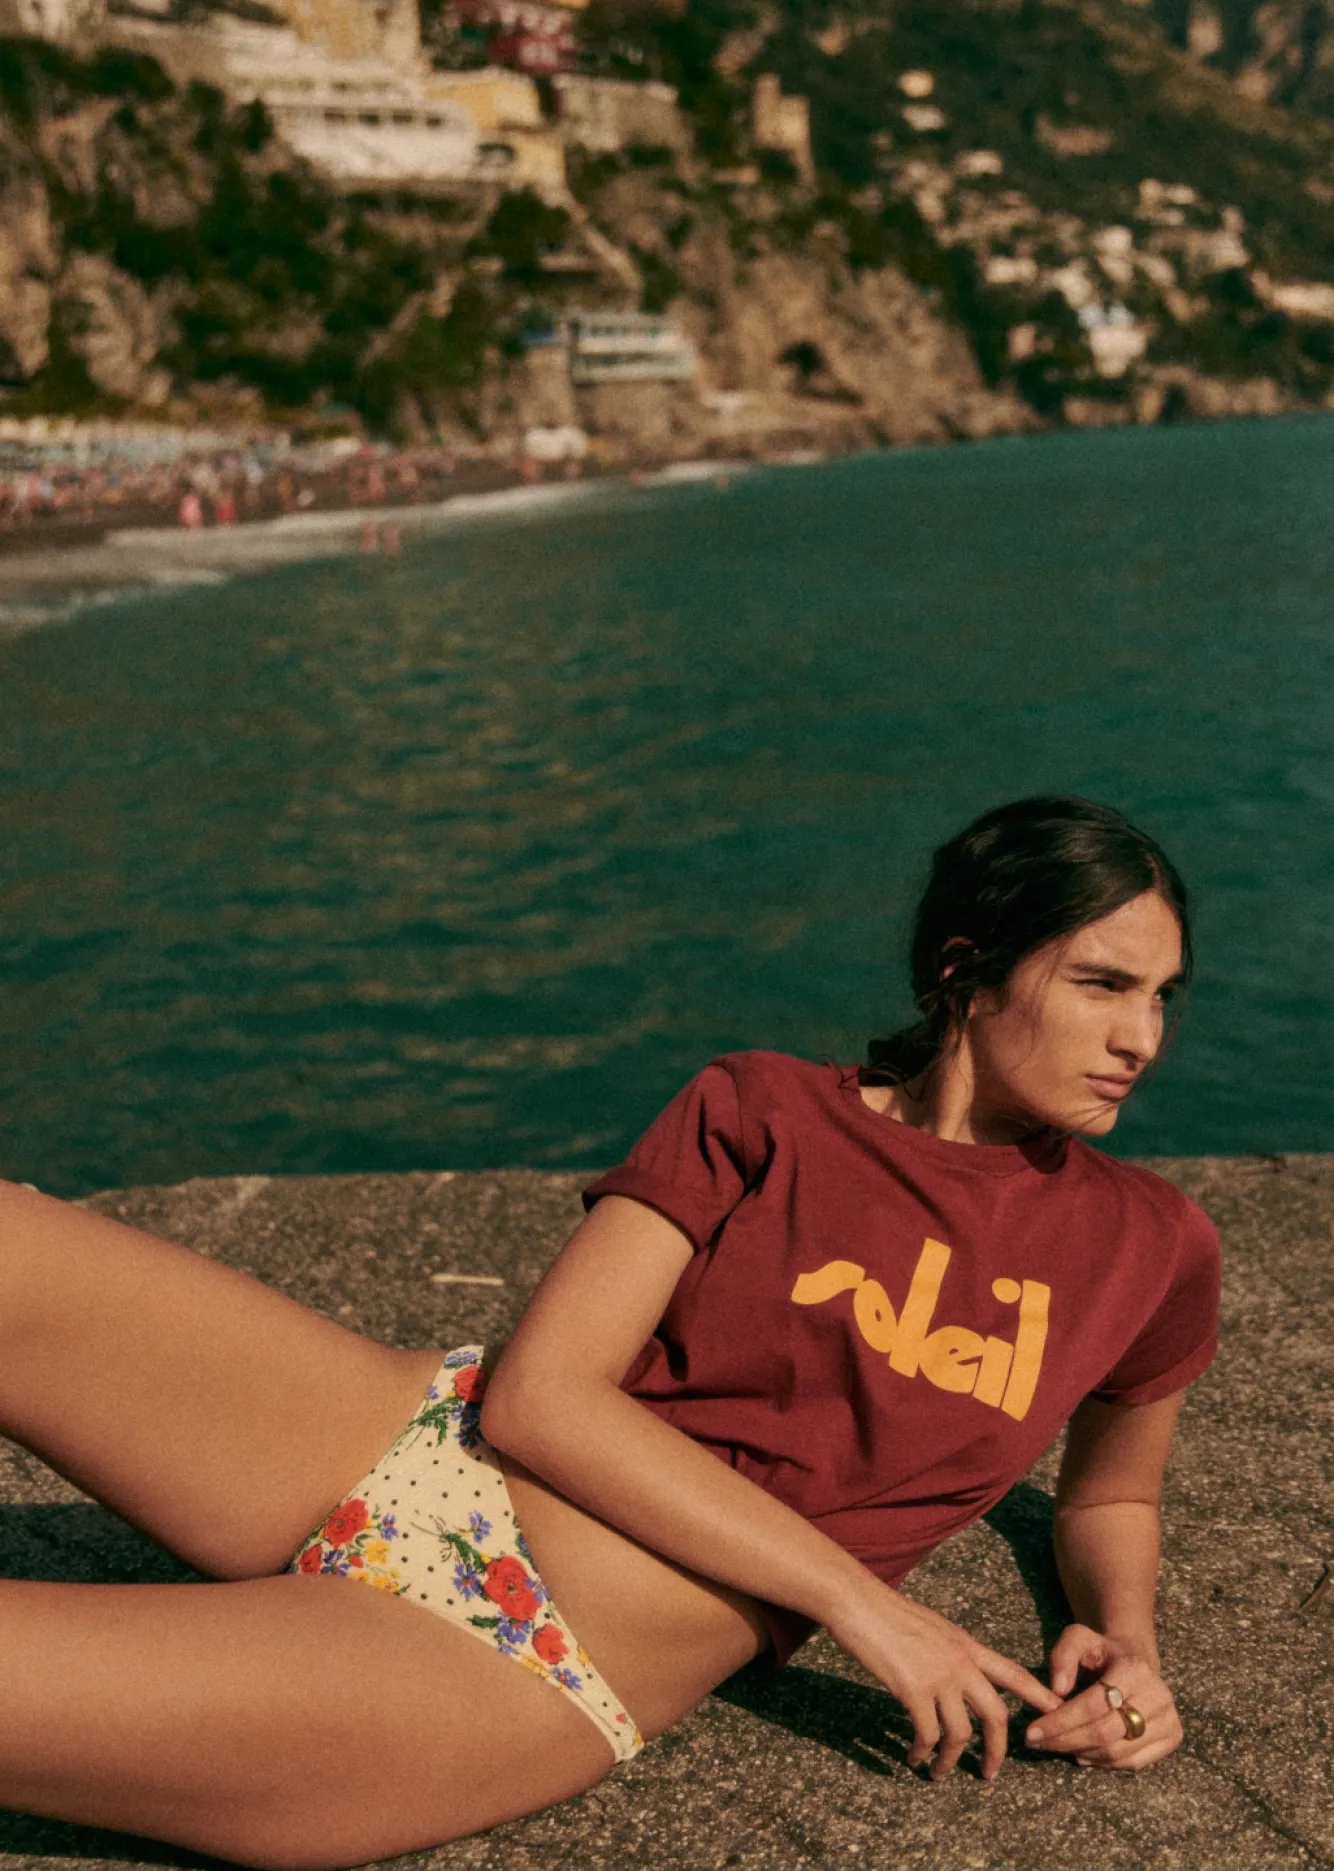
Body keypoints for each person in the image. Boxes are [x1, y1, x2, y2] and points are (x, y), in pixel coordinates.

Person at [0, 797, 1220, 1870]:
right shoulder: (762, 1107)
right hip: (398, 1441)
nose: (1141, 1039)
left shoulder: (1149, 1248)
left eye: (1160, 995)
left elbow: (1108, 1495)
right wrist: (864, 1605)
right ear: (966, 968)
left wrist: (1126, 1644)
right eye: (1101, 984)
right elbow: (540, 1397)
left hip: (519, 1659)